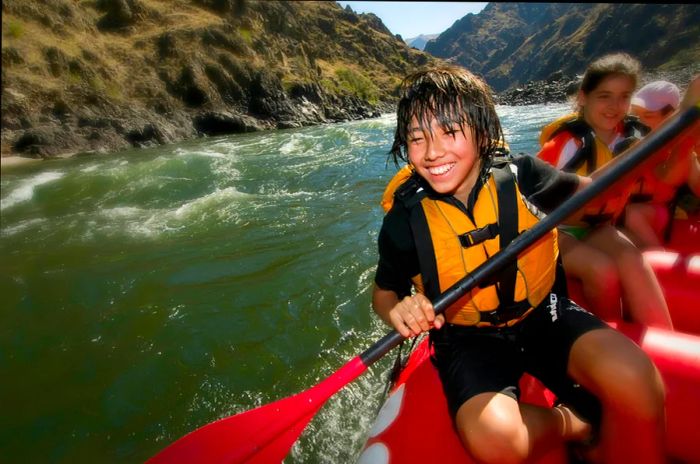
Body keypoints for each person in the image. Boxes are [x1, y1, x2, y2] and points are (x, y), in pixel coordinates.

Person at [372, 65, 666, 463]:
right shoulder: (404, 222)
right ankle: (574, 421)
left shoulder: (523, 176)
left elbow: (597, 197)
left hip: (543, 312)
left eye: (450, 132)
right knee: (495, 439)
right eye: (417, 138)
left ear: (482, 131)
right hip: (467, 338)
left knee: (639, 379)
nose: (432, 152)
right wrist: (399, 309)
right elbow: (384, 293)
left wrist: (674, 128)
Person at [537, 53, 672, 328]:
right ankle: (609, 339)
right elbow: (531, 197)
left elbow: (665, 175)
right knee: (602, 271)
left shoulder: (630, 136)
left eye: (624, 97)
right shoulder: (565, 144)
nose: (614, 106)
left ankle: (662, 342)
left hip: (595, 225)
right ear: (584, 97)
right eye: (604, 96)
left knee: (631, 258)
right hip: (552, 231)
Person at [624, 79, 700, 247]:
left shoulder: (684, 149)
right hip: (639, 215)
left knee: (632, 214)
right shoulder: (631, 140)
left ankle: (658, 258)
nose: (640, 122)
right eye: (636, 115)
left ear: (670, 115)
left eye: (648, 116)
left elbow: (672, 177)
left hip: (659, 212)